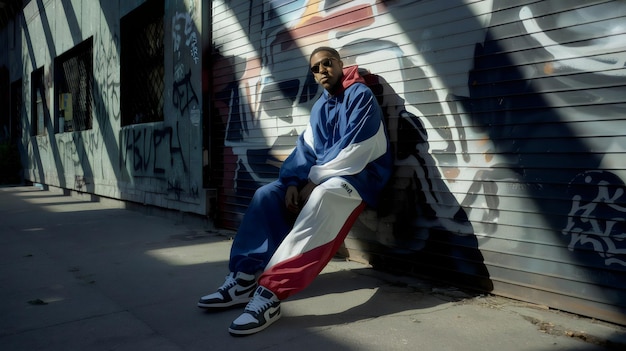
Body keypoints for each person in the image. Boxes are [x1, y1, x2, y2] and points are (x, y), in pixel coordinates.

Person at [198, 46, 393, 336]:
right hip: (322, 177)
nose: (322, 71)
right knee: (267, 194)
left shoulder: (360, 96)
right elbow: (306, 150)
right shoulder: (320, 108)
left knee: (322, 198)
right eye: (315, 68)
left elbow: (359, 149)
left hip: (360, 178)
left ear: (340, 64)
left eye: (327, 63)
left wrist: (313, 181)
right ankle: (244, 278)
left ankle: (271, 294)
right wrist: (291, 182)